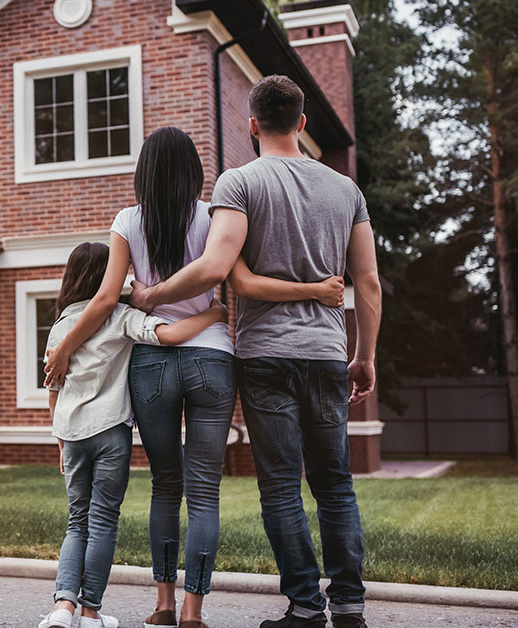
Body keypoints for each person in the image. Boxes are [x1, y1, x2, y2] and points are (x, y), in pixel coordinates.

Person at [45, 127, 345, 628]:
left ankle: (162, 605)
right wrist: (312, 290)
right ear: (194, 171)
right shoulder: (214, 216)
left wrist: (64, 349)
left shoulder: (127, 220)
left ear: (143, 171)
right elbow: (241, 280)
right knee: (204, 491)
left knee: (166, 486)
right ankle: (192, 612)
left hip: (152, 364)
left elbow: (103, 301)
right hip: (212, 359)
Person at [124, 76, 383, 628]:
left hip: (266, 355)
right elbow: (370, 284)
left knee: (282, 484)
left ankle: (307, 607)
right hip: (328, 351)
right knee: (335, 481)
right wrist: (365, 355)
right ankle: (351, 606)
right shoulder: (346, 191)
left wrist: (150, 296)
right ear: (303, 122)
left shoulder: (239, 183)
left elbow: (219, 270)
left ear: (252, 125)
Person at [39, 241, 229, 628]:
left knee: (78, 521)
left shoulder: (60, 328)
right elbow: (171, 335)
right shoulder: (121, 316)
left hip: (72, 435)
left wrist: (60, 441)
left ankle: (62, 607)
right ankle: (91, 611)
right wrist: (214, 313)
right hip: (111, 433)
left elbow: (53, 390)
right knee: (103, 520)